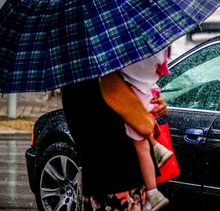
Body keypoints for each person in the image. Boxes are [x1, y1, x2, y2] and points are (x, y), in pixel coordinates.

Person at [62, 71, 167, 211]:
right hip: (119, 179)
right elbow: (139, 124)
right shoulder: (106, 80)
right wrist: (144, 112)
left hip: (104, 180)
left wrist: (149, 104)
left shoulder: (78, 79)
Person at [118, 48, 172, 211]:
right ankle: (156, 148)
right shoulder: (152, 47)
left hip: (118, 180)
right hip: (122, 177)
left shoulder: (116, 63)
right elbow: (162, 69)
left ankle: (156, 149)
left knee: (140, 142)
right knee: (141, 137)